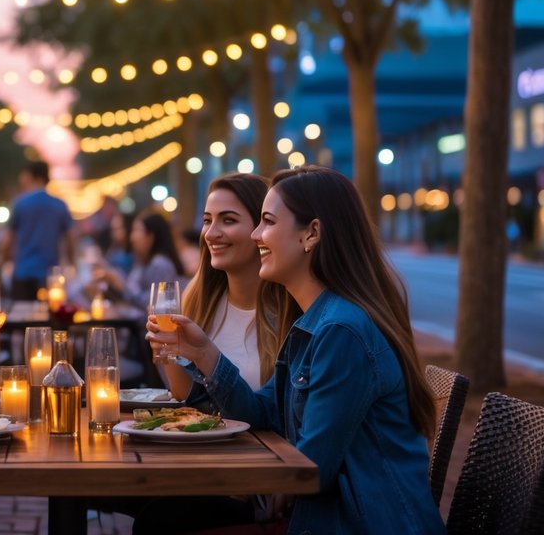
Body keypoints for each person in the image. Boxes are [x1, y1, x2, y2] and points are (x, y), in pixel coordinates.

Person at [141, 165, 445, 534]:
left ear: (311, 233)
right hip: (326, 518)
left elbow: (308, 469)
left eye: (267, 222)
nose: (256, 235)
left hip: (355, 523)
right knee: (163, 518)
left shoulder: (340, 330)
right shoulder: (313, 321)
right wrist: (205, 352)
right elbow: (262, 414)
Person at [161, 173, 276, 407]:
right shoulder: (197, 298)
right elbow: (186, 397)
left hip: (266, 443)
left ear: (261, 229)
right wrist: (169, 351)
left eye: (229, 220)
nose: (211, 233)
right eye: (207, 220)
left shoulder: (290, 308)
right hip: (210, 443)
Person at [1, 161, 75, 301]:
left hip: (23, 273)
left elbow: (7, 240)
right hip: (51, 276)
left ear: (33, 177)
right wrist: (71, 263)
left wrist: (4, 262)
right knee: (51, 319)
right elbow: (70, 240)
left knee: (22, 318)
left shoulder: (20, 204)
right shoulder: (60, 205)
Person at [97, 212, 184, 311]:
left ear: (150, 237)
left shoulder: (160, 265)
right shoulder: (144, 261)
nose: (132, 237)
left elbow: (153, 306)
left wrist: (122, 286)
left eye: (137, 231)